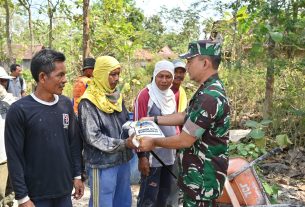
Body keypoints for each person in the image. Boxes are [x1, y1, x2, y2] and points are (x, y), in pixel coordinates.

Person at [131, 40, 230, 207]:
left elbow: (185, 140)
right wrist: (154, 119)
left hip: (202, 179)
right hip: (197, 177)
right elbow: (186, 116)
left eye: (190, 61)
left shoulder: (209, 97)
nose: (187, 66)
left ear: (205, 63)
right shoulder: (207, 90)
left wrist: (153, 142)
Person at [5, 49, 84, 207]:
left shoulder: (65, 104)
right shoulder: (19, 110)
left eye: (65, 74)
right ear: (42, 77)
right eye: (60, 75)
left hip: (63, 192)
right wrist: (22, 197)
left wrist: (77, 175)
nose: (65, 80)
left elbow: (73, 143)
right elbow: (14, 157)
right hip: (36, 197)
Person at [78, 56, 134, 207]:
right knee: (102, 202)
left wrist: (136, 130)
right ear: (102, 74)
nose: (116, 79)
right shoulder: (88, 101)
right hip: (102, 164)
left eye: (118, 74)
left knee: (122, 201)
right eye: (112, 74)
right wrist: (123, 144)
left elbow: (124, 124)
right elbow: (93, 137)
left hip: (122, 160)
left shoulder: (116, 96)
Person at [134, 60, 177, 207]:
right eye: (160, 76)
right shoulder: (146, 95)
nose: (164, 80)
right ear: (154, 76)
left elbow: (174, 124)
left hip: (169, 157)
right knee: (148, 199)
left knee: (163, 197)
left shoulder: (171, 95)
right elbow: (137, 127)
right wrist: (142, 157)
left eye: (168, 76)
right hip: (152, 159)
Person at [167, 59, 188, 207]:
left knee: (175, 176)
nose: (179, 75)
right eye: (176, 72)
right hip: (165, 141)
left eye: (182, 72)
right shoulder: (165, 91)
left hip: (178, 141)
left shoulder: (181, 92)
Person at [0, 67, 16, 207]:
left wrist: (4, 96)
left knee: (9, 194)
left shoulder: (8, 100)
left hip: (8, 153)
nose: (2, 84)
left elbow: (20, 106)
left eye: (4, 81)